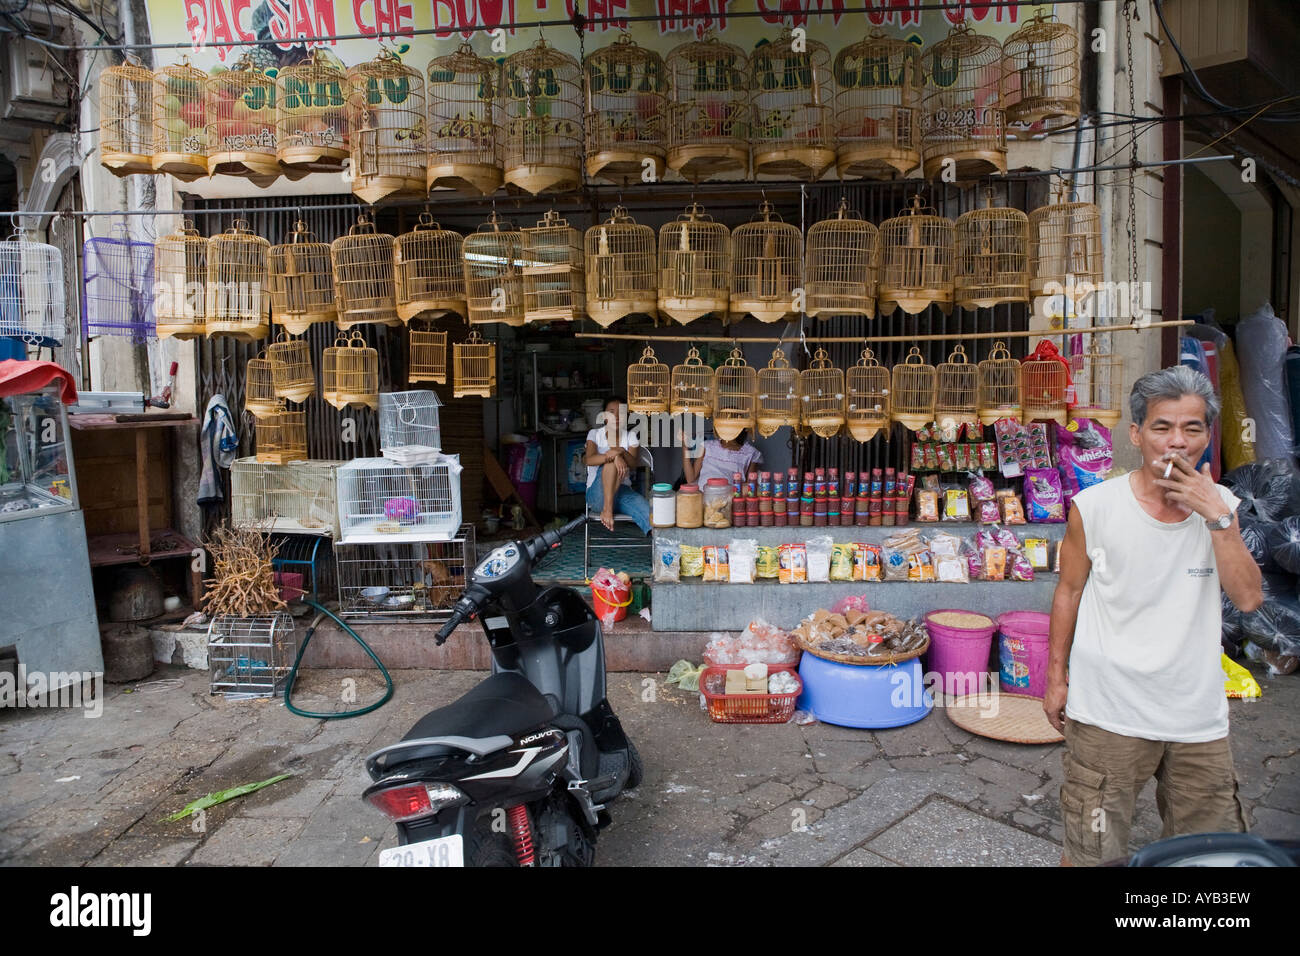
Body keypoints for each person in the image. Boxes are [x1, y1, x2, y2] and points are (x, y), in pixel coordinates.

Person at [1045, 365, 1263, 867]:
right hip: (1107, 711)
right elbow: (1068, 592)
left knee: (1211, 857)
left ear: (1207, 436)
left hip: (1196, 717)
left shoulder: (1224, 507)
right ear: (1137, 434)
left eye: (1192, 428)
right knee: (1092, 851)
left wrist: (1218, 518)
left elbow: (1249, 599)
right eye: (1162, 427)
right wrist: (1056, 678)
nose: (1177, 443)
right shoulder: (1095, 507)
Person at [584, 395, 651, 534]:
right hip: (598, 496)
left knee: (651, 515)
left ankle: (662, 550)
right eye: (611, 411)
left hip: (622, 492)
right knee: (609, 465)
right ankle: (607, 509)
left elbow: (633, 464)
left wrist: (620, 451)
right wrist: (614, 458)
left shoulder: (630, 436)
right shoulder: (595, 434)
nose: (617, 416)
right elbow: (588, 460)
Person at [681, 427, 763, 488]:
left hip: (730, 501)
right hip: (703, 498)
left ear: (741, 427)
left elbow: (750, 488)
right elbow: (690, 479)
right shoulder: (707, 446)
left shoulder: (750, 453)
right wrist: (685, 445)